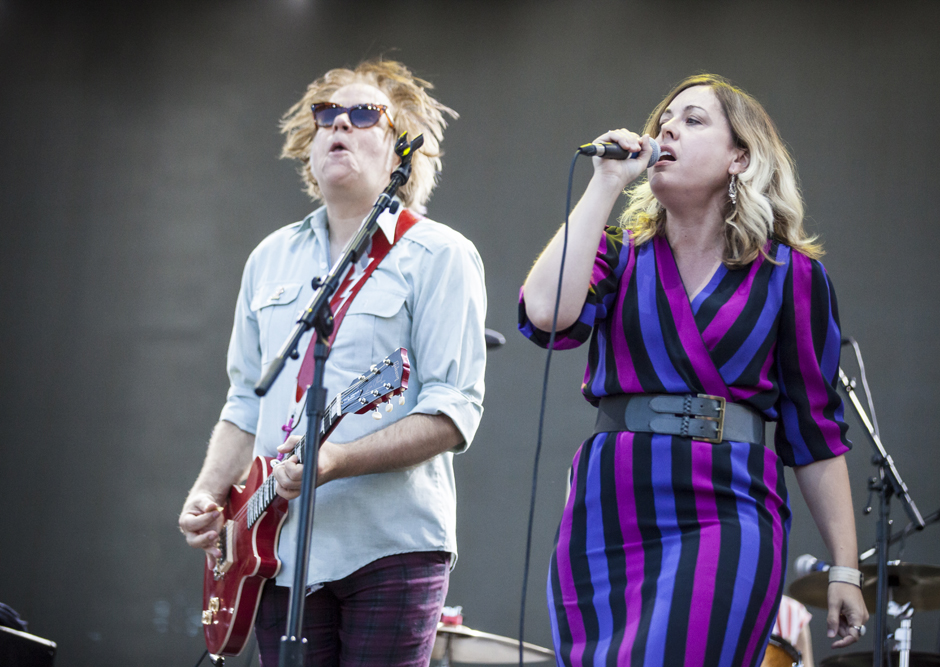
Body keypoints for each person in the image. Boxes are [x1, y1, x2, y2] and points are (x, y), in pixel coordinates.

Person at [519, 74, 868, 666]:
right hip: (609, 512)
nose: (667, 129)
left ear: (740, 157)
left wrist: (846, 569)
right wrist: (604, 185)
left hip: (727, 507)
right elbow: (549, 314)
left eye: (693, 119)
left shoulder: (791, 275)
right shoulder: (618, 253)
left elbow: (814, 431)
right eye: (664, 121)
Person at [178, 60, 487, 667]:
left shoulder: (440, 254)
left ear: (402, 148)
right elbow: (245, 402)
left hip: (389, 545)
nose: (339, 123)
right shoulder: (268, 258)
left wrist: (337, 460)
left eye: (363, 112)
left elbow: (454, 411)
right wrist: (209, 493)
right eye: (326, 115)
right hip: (276, 549)